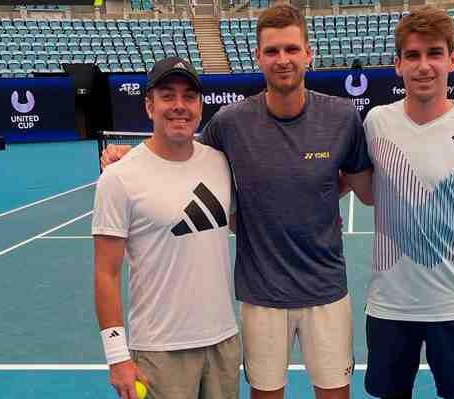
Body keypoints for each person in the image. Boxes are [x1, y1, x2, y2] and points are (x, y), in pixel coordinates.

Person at [101, 5, 374, 399]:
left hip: (327, 291)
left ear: (308, 53)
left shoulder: (342, 117)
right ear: (258, 56)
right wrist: (130, 157)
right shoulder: (230, 123)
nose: (283, 60)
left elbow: (362, 185)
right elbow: (183, 154)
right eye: (273, 51)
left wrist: (318, 188)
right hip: (260, 295)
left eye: (292, 49)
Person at [359, 7, 454, 399]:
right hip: (389, 307)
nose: (424, 65)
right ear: (397, 64)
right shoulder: (376, 122)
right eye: (412, 55)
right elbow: (346, 183)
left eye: (434, 53)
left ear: (452, 60)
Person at [93, 56, 241, 399]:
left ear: (200, 107)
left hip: (223, 343)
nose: (179, 106)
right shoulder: (119, 179)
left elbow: (246, 225)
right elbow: (106, 274)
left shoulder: (220, 163)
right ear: (149, 106)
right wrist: (117, 357)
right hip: (160, 353)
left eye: (189, 97)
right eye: (167, 96)